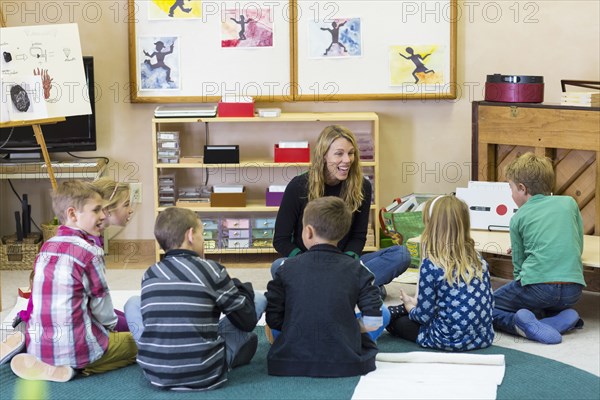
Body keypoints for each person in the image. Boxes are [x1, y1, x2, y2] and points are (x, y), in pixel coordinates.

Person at [123, 207, 266, 390]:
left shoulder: (149, 274)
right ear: (191, 235)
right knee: (259, 299)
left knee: (133, 302)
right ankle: (232, 354)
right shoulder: (212, 269)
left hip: (156, 373)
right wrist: (238, 286)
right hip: (206, 374)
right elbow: (246, 320)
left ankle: (154, 353)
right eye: (202, 234)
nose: (204, 240)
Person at [10, 180, 137, 382]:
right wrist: (118, 328)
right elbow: (103, 311)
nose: (102, 215)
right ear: (72, 214)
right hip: (78, 348)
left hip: (39, 345)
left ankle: (49, 362)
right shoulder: (90, 251)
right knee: (139, 342)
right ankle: (77, 366)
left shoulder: (47, 245)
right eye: (97, 211)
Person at [272, 125, 411, 298]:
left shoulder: (363, 186)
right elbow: (281, 239)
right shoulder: (298, 186)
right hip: (308, 263)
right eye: (339, 153)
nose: (347, 160)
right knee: (278, 266)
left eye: (351, 153)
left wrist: (345, 263)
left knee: (401, 255)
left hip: (345, 264)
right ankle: (357, 289)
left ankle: (327, 290)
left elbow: (358, 236)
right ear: (323, 155)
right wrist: (306, 260)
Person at [266, 196, 388, 377]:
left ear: (307, 232)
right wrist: (348, 326)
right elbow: (373, 321)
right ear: (343, 233)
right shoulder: (357, 268)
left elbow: (273, 318)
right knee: (384, 312)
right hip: (347, 363)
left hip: (288, 362)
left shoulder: (286, 268)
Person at [493, 152, 585, 344]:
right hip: (573, 291)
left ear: (521, 188)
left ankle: (520, 325)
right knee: (539, 301)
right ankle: (555, 319)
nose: (510, 194)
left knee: (483, 306)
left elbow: (519, 268)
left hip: (539, 288)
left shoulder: (518, 217)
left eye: (510, 188)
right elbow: (578, 242)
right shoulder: (569, 203)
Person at [386, 195, 495, 351]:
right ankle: (402, 308)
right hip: (482, 337)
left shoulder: (431, 263)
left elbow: (424, 317)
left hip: (447, 339)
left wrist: (410, 307)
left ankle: (400, 309)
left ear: (431, 226)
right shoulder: (477, 258)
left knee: (398, 323)